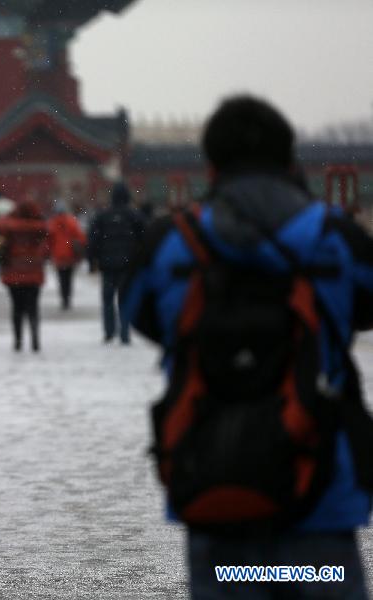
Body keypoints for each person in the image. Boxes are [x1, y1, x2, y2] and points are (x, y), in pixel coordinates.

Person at [124, 95, 373, 598]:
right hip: (318, 477)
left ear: (210, 165)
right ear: (290, 161)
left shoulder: (169, 241)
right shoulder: (335, 236)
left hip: (214, 472)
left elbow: (144, 315)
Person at [88, 182, 143, 344]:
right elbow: (144, 239)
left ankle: (109, 331)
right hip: (128, 265)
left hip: (107, 264)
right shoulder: (134, 216)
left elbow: (93, 241)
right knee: (125, 298)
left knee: (107, 299)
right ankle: (125, 332)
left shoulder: (102, 216)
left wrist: (92, 261)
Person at [0, 200, 49, 352]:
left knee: (17, 308)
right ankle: (35, 340)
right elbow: (46, 246)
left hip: (14, 273)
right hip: (34, 273)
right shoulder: (39, 228)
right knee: (33, 308)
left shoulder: (9, 227)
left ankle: (18, 341)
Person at [47, 201, 87, 310]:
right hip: (70, 255)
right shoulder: (72, 221)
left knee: (61, 278)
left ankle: (64, 298)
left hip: (58, 255)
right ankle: (67, 298)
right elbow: (81, 237)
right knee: (69, 278)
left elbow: (48, 240)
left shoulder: (52, 223)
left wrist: (50, 252)